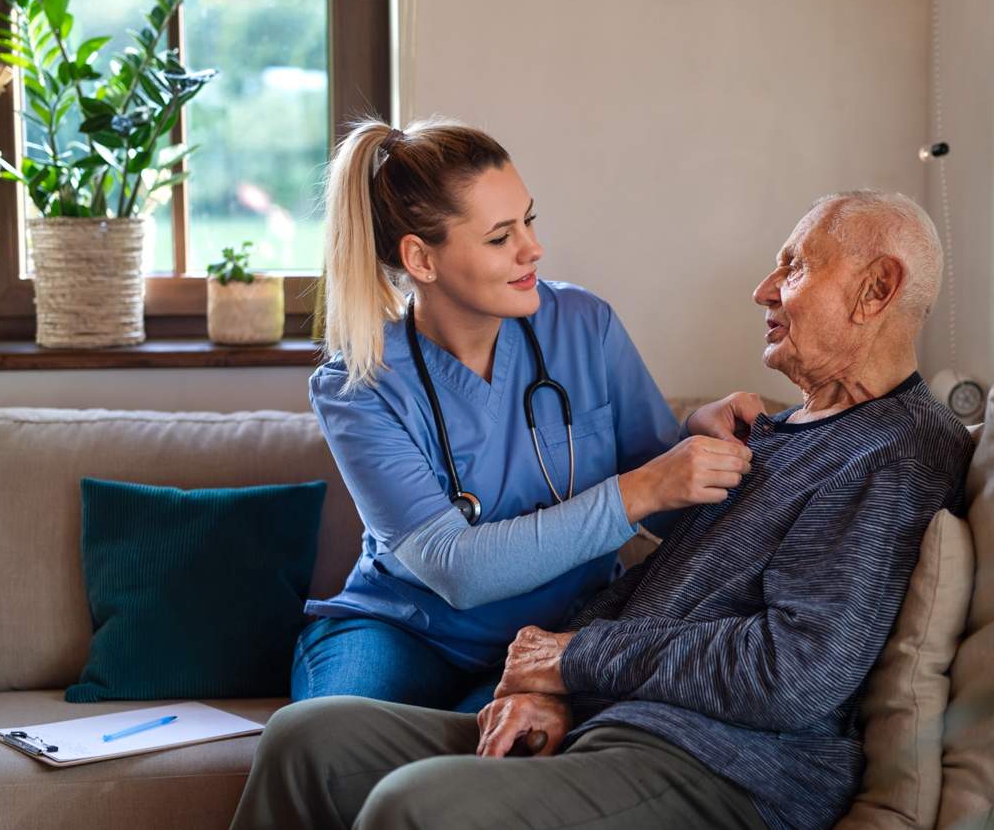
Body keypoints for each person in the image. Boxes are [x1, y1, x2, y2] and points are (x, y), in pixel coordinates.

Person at [230, 190, 977, 830]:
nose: (764, 288)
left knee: (414, 805)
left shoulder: (896, 449)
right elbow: (653, 584)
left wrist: (574, 659)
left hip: (725, 764)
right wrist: (551, 681)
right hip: (614, 719)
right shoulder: (780, 433)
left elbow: (797, 671)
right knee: (306, 740)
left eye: (795, 266)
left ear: (877, 290)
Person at [297, 116, 763, 712]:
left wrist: (696, 442)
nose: (532, 248)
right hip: (401, 632)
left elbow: (672, 508)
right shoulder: (357, 385)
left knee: (487, 771)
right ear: (421, 258)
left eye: (529, 219)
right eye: (500, 237)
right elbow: (454, 569)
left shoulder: (583, 327)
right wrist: (642, 488)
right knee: (337, 732)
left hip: (560, 636)